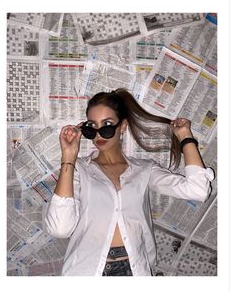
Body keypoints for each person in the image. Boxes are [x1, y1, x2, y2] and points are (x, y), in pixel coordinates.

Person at [44, 88, 214, 276]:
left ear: (122, 126)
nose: (99, 133)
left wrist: (185, 136)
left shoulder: (144, 170)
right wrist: (68, 157)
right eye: (91, 127)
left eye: (107, 125)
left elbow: (198, 190)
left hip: (135, 270)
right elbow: (60, 228)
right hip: (87, 271)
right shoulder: (78, 170)